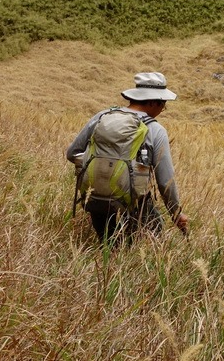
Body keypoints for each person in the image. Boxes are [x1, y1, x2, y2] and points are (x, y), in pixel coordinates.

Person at [67, 72, 189, 244]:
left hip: (96, 200)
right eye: (163, 105)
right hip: (135, 206)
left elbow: (72, 153)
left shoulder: (102, 117)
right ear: (154, 102)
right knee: (145, 251)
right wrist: (176, 213)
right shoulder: (155, 130)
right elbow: (165, 181)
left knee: (107, 247)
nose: (162, 110)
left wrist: (103, 169)